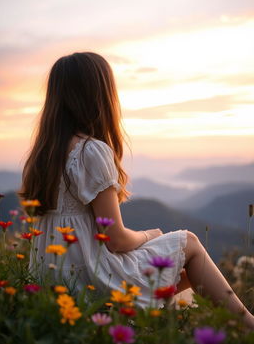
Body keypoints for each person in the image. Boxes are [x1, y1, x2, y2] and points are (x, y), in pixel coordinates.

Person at [20, 52, 254, 329]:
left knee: (179, 270)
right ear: (100, 96)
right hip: (91, 283)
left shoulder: (42, 156)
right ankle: (247, 326)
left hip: (53, 282)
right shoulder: (90, 151)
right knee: (188, 243)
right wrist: (149, 235)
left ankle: (163, 325)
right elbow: (116, 239)